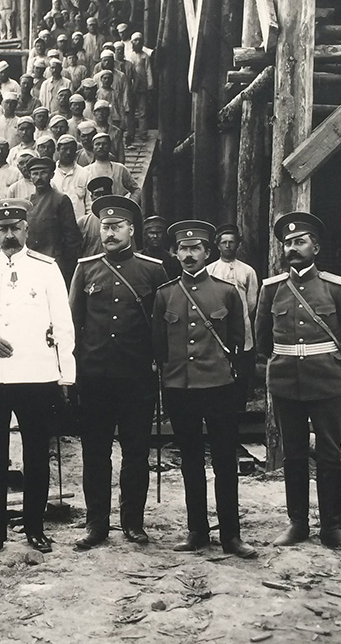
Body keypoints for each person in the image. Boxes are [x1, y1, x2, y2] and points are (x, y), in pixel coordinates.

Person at [0, 199, 75, 555]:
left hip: (36, 374)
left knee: (36, 453)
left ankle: (34, 529)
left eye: (15, 228)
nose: (9, 235)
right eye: (2, 229)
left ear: (27, 230)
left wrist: (65, 376)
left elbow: (64, 325)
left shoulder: (46, 268)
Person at [256, 212, 341, 553]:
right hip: (286, 385)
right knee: (292, 456)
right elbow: (264, 340)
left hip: (327, 383)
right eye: (288, 243)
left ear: (316, 247)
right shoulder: (271, 289)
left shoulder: (338, 288)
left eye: (300, 242)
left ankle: (332, 527)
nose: (293, 248)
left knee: (329, 455)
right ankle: (298, 524)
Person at [69, 197, 167, 549]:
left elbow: (162, 327)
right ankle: (96, 524)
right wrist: (72, 373)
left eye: (116, 227)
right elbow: (72, 326)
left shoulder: (153, 270)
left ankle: (133, 523)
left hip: (136, 377)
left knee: (136, 452)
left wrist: (160, 368)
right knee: (95, 453)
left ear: (131, 231)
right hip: (95, 377)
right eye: (104, 228)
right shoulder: (86, 268)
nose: (108, 234)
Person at [153, 220, 255, 558]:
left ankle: (231, 536)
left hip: (219, 388)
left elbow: (239, 343)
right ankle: (197, 530)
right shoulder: (165, 294)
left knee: (225, 461)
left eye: (195, 248)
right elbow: (159, 347)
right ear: (175, 253)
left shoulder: (226, 292)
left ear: (207, 253)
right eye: (183, 249)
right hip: (180, 387)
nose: (188, 254)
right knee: (190, 462)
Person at [206, 224, 259, 395]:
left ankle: (242, 402)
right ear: (218, 245)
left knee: (241, 365)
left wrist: (242, 317)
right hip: (218, 324)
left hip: (242, 323)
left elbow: (252, 302)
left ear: (238, 244)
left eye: (232, 242)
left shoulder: (248, 271)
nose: (228, 246)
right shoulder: (210, 270)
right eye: (224, 242)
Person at [25, 156, 83, 281]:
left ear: (51, 175)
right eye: (35, 174)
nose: (39, 178)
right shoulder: (26, 202)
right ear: (30, 176)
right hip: (31, 262)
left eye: (44, 173)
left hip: (54, 262)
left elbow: (71, 237)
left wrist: (68, 267)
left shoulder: (60, 200)